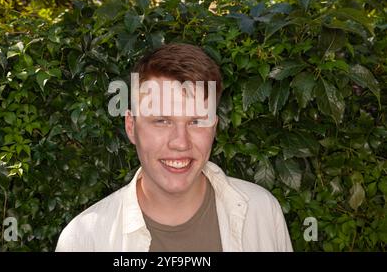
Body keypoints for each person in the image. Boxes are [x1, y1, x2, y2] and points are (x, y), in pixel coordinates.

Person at [55, 43, 293, 251]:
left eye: (197, 122)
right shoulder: (83, 240)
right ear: (131, 126)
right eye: (161, 121)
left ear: (214, 128)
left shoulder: (262, 212)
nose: (180, 142)